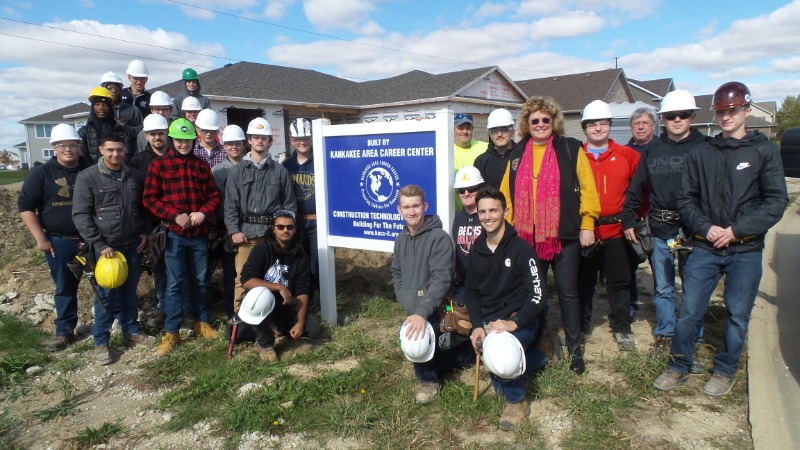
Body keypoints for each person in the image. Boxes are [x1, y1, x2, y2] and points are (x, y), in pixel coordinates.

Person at [654, 81, 788, 396]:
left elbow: (775, 201)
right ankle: (679, 363)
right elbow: (685, 199)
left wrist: (737, 230)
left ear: (746, 110)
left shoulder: (763, 151)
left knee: (738, 313)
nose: (726, 116)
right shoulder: (703, 152)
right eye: (721, 111)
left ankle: (726, 369)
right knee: (689, 309)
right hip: (705, 246)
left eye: (733, 110)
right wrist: (707, 226)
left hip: (746, 248)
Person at [500, 96, 600, 375]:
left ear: (554, 122)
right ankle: (538, 341)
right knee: (535, 294)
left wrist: (588, 223)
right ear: (527, 125)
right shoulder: (517, 154)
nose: (541, 124)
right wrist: (508, 231)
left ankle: (575, 348)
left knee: (568, 293)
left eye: (546, 119)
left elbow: (588, 189)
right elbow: (505, 195)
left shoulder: (570, 149)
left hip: (564, 235)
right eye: (535, 121)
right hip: (528, 239)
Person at [623, 90, 709, 358]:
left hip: (693, 230)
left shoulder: (705, 147)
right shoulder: (653, 149)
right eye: (672, 115)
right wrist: (628, 217)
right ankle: (666, 334)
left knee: (693, 286)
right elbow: (636, 187)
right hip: (662, 228)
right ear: (664, 119)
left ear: (693, 116)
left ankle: (693, 337)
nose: (678, 119)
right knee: (663, 287)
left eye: (683, 115)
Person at [464, 187, 547, 430]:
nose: (487, 216)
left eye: (493, 210)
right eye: (482, 212)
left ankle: (517, 401)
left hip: (521, 320)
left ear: (505, 212)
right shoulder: (476, 251)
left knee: (500, 357)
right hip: (490, 322)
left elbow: (539, 295)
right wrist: (477, 325)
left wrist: (516, 322)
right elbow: (471, 292)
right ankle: (539, 357)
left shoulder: (522, 249)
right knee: (498, 367)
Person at [72, 133, 156, 365]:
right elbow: (80, 215)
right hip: (105, 249)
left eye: (119, 150)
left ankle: (131, 331)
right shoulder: (88, 177)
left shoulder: (134, 177)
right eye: (110, 150)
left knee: (130, 293)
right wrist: (99, 243)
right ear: (101, 149)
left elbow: (144, 208)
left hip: (131, 245)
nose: (115, 154)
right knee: (106, 296)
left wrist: (145, 232)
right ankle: (101, 342)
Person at [143, 118, 221, 356]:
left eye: (187, 140)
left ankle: (201, 322)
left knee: (201, 280)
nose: (183, 144)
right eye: (179, 140)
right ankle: (172, 332)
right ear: (171, 139)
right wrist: (174, 215)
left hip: (198, 234)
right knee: (174, 284)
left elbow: (214, 196)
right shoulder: (159, 166)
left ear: (193, 140)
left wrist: (202, 212)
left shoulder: (201, 166)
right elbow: (149, 199)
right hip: (174, 234)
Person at [392, 185, 473, 405]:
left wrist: (421, 312)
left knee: (416, 342)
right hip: (415, 309)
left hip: (439, 308)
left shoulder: (439, 238)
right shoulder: (400, 239)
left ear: (424, 206)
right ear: (399, 209)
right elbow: (396, 272)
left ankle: (429, 381)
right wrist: (403, 295)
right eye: (406, 207)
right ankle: (448, 357)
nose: (411, 212)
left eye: (416, 206)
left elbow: (442, 280)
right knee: (419, 342)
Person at [18, 124, 90, 351]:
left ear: (79, 147)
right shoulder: (42, 174)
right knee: (65, 286)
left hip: (92, 239)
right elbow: (26, 207)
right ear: (54, 148)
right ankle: (65, 331)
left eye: (73, 145)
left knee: (105, 282)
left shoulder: (89, 169)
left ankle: (107, 326)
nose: (68, 149)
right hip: (60, 240)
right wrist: (41, 238)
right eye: (62, 145)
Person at [576, 100, 640, 352]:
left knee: (619, 281)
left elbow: (641, 191)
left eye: (602, 123)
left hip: (616, 230)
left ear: (610, 125)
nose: (598, 128)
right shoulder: (576, 156)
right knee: (584, 282)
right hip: (587, 230)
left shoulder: (629, 156)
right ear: (584, 128)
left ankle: (622, 326)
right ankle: (582, 325)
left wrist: (634, 218)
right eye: (592, 123)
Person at [225, 117, 296, 313]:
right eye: (255, 137)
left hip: (272, 236)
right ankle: (240, 320)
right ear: (249, 140)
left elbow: (289, 205)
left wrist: (284, 232)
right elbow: (230, 205)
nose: (259, 141)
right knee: (243, 279)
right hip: (246, 236)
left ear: (270, 141)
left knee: (274, 278)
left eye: (264, 138)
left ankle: (273, 318)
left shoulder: (280, 172)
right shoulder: (237, 172)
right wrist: (234, 231)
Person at [240, 210, 322, 361]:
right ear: (273, 228)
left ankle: (276, 327)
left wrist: (300, 323)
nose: (285, 230)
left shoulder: (301, 256)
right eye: (281, 227)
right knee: (259, 302)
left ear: (295, 229)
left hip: (286, 304)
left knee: (314, 330)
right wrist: (279, 287)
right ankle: (266, 345)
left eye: (290, 227)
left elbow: (303, 291)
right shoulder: (261, 249)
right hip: (261, 302)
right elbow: (246, 280)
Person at [130, 114, 171, 327]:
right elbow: (135, 198)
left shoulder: (176, 156)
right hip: (152, 224)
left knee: (180, 268)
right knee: (159, 269)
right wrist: (144, 229)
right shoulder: (138, 162)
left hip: (176, 223)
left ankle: (182, 308)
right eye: (153, 134)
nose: (157, 137)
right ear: (146, 136)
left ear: (167, 134)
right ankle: (165, 309)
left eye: (161, 133)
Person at [624, 107, 657, 320]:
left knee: (661, 266)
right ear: (631, 127)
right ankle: (630, 307)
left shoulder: (662, 150)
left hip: (656, 216)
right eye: (637, 124)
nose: (641, 127)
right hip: (632, 217)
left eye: (645, 123)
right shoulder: (625, 152)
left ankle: (662, 306)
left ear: (654, 126)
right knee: (628, 268)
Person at [212, 124, 247, 319]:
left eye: (237, 143)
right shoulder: (217, 171)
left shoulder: (251, 166)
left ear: (243, 144)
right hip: (227, 230)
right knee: (230, 274)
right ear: (224, 146)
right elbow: (218, 203)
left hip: (250, 228)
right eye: (230, 144)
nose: (234, 147)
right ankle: (231, 312)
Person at [282, 118, 319, 290]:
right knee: (298, 260)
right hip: (295, 221)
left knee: (318, 262)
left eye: (306, 137)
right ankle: (303, 296)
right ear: (292, 140)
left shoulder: (320, 160)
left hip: (317, 222)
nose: (302, 142)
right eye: (298, 139)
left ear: (311, 139)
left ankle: (320, 298)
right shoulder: (286, 165)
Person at [78, 87, 138, 164]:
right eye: (97, 104)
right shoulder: (83, 132)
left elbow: (127, 154)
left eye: (105, 105)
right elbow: (82, 156)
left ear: (110, 108)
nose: (101, 108)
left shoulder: (123, 131)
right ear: (92, 108)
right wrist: (95, 172)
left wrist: (114, 169)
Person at [451, 165, 484, 297]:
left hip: (488, 284)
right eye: (461, 190)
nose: (466, 193)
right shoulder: (457, 219)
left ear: (480, 189)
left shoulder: (488, 217)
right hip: (465, 284)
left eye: (471, 189)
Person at [453, 113, 488, 211]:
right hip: (456, 214)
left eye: (468, 128)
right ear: (453, 129)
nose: (465, 131)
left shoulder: (485, 147)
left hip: (482, 212)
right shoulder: (446, 150)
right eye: (460, 128)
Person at [474, 108, 516, 188]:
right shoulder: (481, 162)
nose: (499, 134)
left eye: (504, 129)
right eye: (495, 130)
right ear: (490, 135)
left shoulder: (523, 156)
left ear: (512, 132)